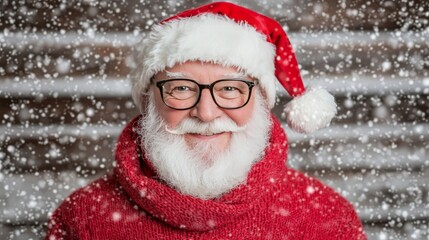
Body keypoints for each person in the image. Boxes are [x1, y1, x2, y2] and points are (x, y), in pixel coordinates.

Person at [45, 2, 366, 239]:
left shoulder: (324, 217)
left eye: (230, 89)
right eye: (182, 88)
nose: (206, 113)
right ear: (148, 100)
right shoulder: (82, 217)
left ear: (261, 102)